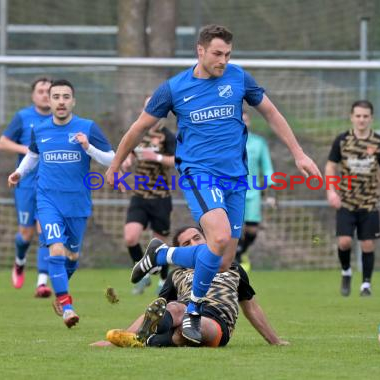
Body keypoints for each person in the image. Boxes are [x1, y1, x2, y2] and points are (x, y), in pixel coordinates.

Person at [106, 24, 321, 345]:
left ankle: (162, 255)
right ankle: (193, 310)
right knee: (218, 236)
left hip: (236, 178)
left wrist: (299, 153)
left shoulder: (238, 78)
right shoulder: (175, 88)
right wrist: (114, 164)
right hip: (198, 174)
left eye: (228, 54)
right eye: (217, 54)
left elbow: (272, 114)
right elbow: (138, 128)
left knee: (221, 261)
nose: (223, 60)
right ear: (200, 51)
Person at [8, 79, 115, 328]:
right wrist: (19, 173)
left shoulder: (87, 127)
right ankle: (67, 306)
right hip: (47, 200)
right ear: (50, 101)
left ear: (73, 101)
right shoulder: (41, 129)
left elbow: (111, 159)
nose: (61, 101)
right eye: (56, 96)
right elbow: (33, 156)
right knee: (55, 249)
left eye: (66, 97)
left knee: (72, 256)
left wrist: (88, 148)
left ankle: (61, 287)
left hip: (77, 204)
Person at [103, 226, 289, 348]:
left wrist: (275, 341)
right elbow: (155, 310)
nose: (194, 244)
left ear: (207, 238)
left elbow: (252, 308)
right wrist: (115, 341)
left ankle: (149, 341)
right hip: (184, 309)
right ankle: (136, 339)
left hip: (217, 322)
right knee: (173, 308)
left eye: (197, 238)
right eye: (186, 244)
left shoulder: (232, 268)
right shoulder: (176, 274)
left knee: (189, 330)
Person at [325, 100, 380, 297]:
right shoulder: (342, 140)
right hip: (346, 201)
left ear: (371, 118)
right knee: (345, 242)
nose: (361, 119)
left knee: (367, 244)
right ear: (351, 117)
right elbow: (330, 166)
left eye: (365, 116)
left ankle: (366, 284)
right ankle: (346, 271)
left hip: (369, 202)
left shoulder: (379, 142)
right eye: (358, 116)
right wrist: (331, 191)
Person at [0, 77, 53, 297]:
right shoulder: (23, 116)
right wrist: (29, 151)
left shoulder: (59, 120)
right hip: (26, 183)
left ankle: (41, 283)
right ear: (33, 95)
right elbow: (2, 143)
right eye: (41, 91)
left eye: (49, 91)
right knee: (25, 234)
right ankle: (19, 261)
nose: (45, 94)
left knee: (45, 231)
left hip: (48, 184)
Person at [121, 96, 176, 296]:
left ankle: (163, 281)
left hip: (161, 196)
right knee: (130, 237)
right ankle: (142, 272)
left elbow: (177, 160)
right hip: (140, 196)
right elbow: (129, 152)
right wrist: (126, 161)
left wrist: (158, 157)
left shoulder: (167, 136)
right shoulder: (138, 132)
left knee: (160, 244)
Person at [235, 110, 276, 269]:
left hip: (252, 191)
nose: (243, 123)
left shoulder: (258, 143)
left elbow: (267, 168)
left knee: (252, 229)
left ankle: (241, 251)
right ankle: (235, 256)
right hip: (232, 191)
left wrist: (270, 192)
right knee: (235, 227)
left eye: (245, 120)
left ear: (249, 122)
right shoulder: (226, 142)